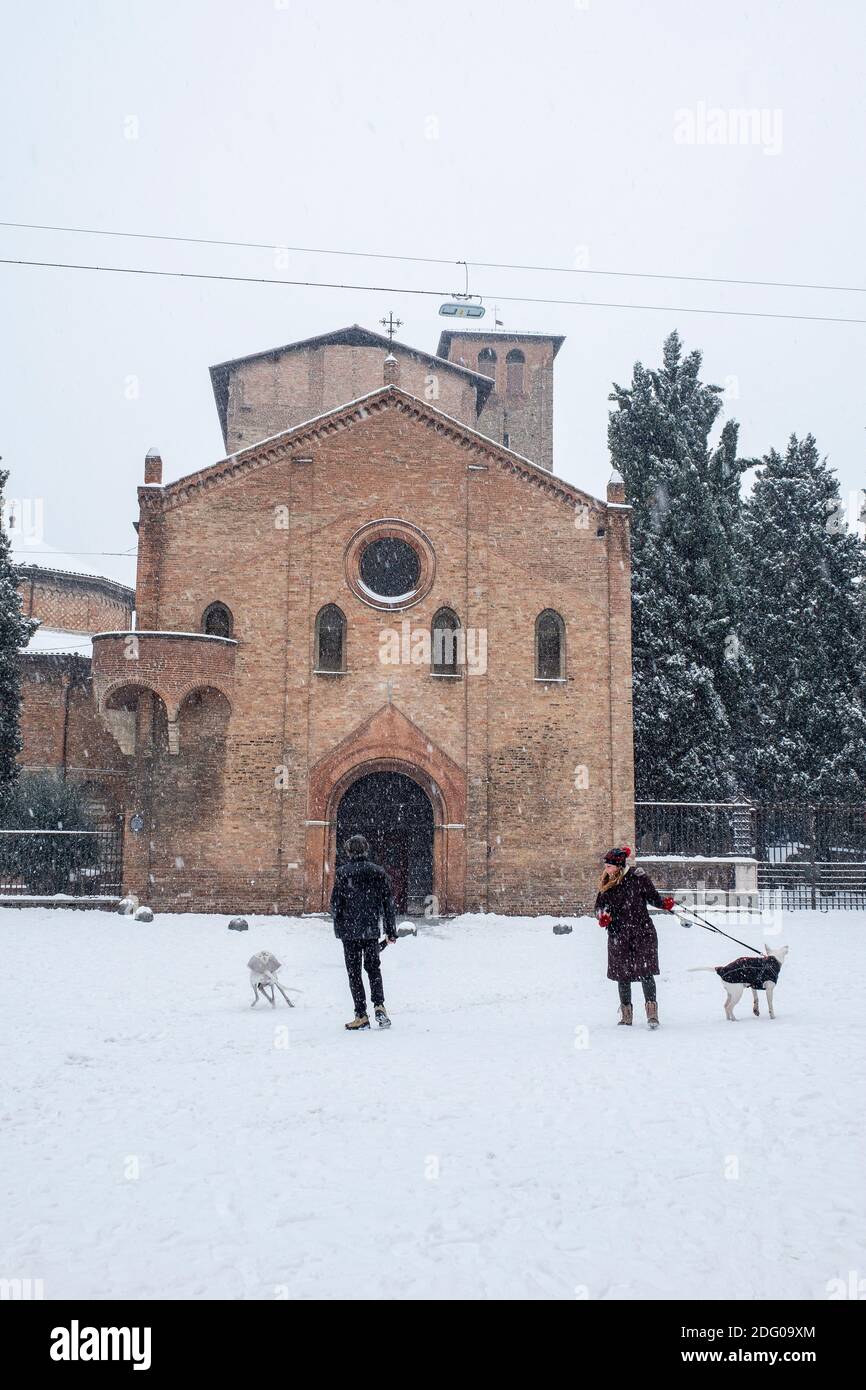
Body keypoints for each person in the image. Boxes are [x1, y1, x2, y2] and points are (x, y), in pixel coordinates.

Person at [594, 845, 675, 1028]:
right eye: (606, 865)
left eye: (609, 865)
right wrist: (603, 916)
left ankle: (652, 1014)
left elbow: (653, 898)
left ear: (619, 865)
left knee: (646, 973)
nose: (606, 868)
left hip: (642, 932)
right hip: (618, 934)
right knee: (622, 975)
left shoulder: (638, 878)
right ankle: (626, 1015)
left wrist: (665, 903)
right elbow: (598, 907)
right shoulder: (606, 884)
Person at [330, 834, 397, 1030]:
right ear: (366, 850)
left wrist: (339, 917)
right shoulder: (378, 872)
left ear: (349, 851)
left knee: (354, 973)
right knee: (373, 969)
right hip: (370, 930)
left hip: (349, 931)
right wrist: (390, 931)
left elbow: (335, 904)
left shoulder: (343, 872)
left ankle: (361, 1015)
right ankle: (379, 1006)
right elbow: (388, 904)